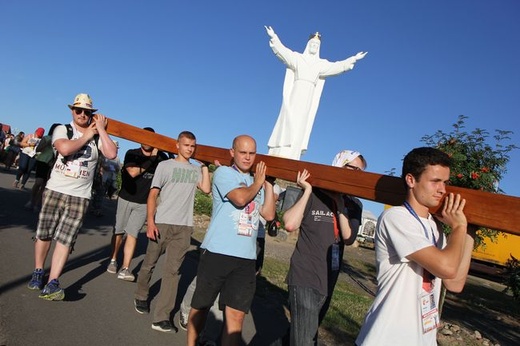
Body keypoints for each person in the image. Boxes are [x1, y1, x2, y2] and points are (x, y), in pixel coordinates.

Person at [356, 147, 475, 346]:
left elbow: (454, 283)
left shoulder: (435, 226)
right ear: (411, 180)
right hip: (386, 338)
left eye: (445, 182)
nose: (443, 190)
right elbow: (446, 267)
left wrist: (469, 229)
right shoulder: (396, 218)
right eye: (435, 181)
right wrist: (459, 227)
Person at [26, 93, 118, 301]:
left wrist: (101, 130)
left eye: (87, 111)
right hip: (56, 189)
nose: (82, 114)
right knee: (44, 233)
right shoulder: (63, 129)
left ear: (92, 114)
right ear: (72, 111)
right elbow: (65, 148)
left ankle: (53, 282)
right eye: (79, 110)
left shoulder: (97, 136)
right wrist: (86, 136)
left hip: (80, 195)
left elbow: (111, 154)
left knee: (66, 239)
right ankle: (39, 270)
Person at [187, 135, 276, 346]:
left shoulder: (259, 182)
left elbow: (269, 215)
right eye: (243, 152)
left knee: (236, 317)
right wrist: (258, 183)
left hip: (245, 259)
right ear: (232, 152)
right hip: (218, 252)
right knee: (201, 306)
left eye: (252, 153)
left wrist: (269, 187)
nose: (247, 157)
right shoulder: (224, 173)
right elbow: (240, 198)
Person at [281, 150, 367, 346]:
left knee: (300, 334)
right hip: (305, 275)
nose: (356, 174)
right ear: (338, 165)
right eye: (351, 168)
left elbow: (348, 236)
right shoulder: (314, 193)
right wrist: (308, 191)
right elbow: (290, 224)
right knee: (304, 340)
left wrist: (340, 205)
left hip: (328, 279)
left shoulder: (354, 204)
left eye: (360, 172)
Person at [134, 131, 211, 333]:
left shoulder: (195, 170)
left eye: (193, 146)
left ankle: (161, 317)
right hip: (162, 223)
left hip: (183, 227)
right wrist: (150, 222)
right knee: (149, 263)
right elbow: (152, 195)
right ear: (178, 145)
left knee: (173, 272)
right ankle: (141, 295)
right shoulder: (164, 166)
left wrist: (204, 167)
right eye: (186, 145)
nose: (189, 149)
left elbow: (206, 189)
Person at [264, 26, 367, 160]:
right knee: (288, 119)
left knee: (301, 124)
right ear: (308, 45)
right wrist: (274, 37)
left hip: (308, 98)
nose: (313, 46)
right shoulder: (298, 58)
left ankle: (293, 154)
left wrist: (353, 58)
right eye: (312, 44)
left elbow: (337, 66)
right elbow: (284, 52)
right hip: (296, 93)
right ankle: (281, 150)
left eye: (316, 45)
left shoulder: (321, 64)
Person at [107, 127, 168, 280]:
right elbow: (133, 172)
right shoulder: (132, 153)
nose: (147, 142)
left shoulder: (162, 158)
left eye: (151, 139)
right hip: (126, 198)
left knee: (133, 233)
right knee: (119, 231)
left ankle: (125, 268)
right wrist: (152, 159)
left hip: (144, 202)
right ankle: (113, 259)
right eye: (144, 138)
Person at [24, 123, 60, 212]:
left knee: (45, 185)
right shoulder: (46, 138)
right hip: (42, 161)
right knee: (38, 182)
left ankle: (37, 203)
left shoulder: (61, 140)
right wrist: (46, 144)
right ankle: (31, 200)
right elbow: (38, 149)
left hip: (52, 164)